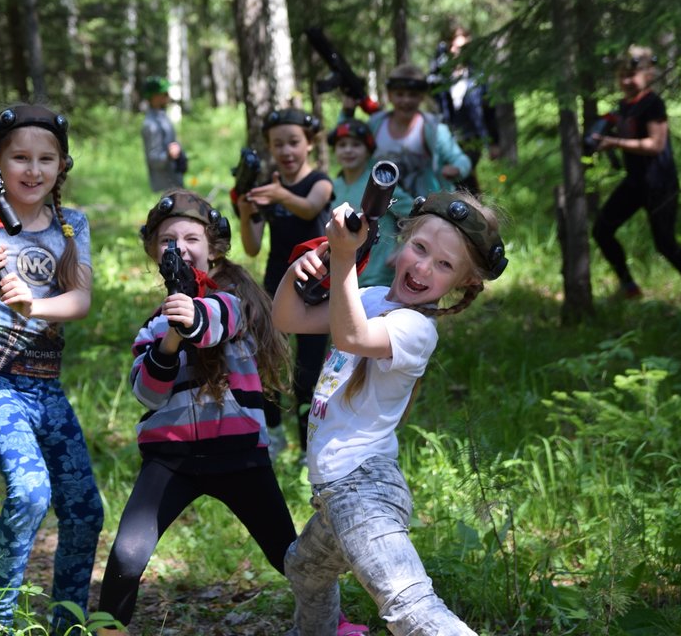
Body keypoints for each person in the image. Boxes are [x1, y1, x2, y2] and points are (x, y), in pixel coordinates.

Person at [96, 191, 367, 636]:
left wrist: (192, 318)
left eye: (190, 237)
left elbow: (219, 321)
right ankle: (106, 628)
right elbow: (146, 394)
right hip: (170, 460)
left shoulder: (235, 300)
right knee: (127, 554)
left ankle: (333, 625)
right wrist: (169, 339)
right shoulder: (154, 325)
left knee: (288, 555)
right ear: (153, 252)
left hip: (241, 458)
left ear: (213, 248)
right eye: (167, 240)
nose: (179, 246)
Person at [271, 190, 508, 636]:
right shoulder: (376, 296)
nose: (422, 268)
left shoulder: (417, 329)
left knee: (411, 609)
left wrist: (344, 258)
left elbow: (351, 337)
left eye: (443, 266)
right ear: (402, 241)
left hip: (362, 490)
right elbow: (289, 318)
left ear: (462, 283)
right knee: (303, 569)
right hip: (337, 494)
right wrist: (303, 268)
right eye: (420, 249)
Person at [0, 103, 103, 635]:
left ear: (61, 165)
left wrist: (33, 305)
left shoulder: (71, 226)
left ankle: (67, 625)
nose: (33, 170)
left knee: (84, 510)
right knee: (30, 491)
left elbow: (78, 300)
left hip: (46, 385)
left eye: (46, 159)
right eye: (20, 158)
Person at [235, 108, 333, 456]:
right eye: (279, 145)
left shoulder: (319, 182)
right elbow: (251, 245)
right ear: (270, 148)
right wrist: (247, 213)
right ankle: (273, 433)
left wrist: (278, 195)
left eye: (294, 142)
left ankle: (310, 448)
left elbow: (309, 208)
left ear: (309, 144)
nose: (287, 151)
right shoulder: (269, 189)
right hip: (276, 286)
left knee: (309, 371)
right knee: (268, 363)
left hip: (319, 288)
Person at [588, 45, 681, 299]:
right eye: (621, 76)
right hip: (635, 184)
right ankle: (629, 287)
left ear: (648, 74)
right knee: (602, 230)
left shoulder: (653, 103)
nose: (626, 81)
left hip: (660, 184)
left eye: (631, 76)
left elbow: (656, 145)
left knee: (665, 244)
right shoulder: (624, 105)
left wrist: (615, 143)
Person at [342, 64, 470, 201]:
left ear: (422, 97)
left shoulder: (434, 130)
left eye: (413, 95)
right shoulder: (375, 124)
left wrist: (456, 169)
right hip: (381, 208)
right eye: (400, 94)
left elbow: (461, 160)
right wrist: (347, 113)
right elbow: (344, 141)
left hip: (426, 210)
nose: (406, 100)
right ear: (390, 96)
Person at [327, 120, 413, 288]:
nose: (348, 150)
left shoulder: (381, 184)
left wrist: (404, 248)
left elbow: (419, 216)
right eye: (342, 145)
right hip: (344, 279)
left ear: (368, 150)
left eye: (356, 145)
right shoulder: (332, 187)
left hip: (380, 278)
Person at [429, 26, 498, 196]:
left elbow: (489, 109)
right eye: (453, 47)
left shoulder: (477, 76)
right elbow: (431, 95)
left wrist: (494, 142)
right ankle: (467, 207)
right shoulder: (441, 76)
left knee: (464, 170)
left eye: (462, 48)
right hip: (449, 135)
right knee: (455, 179)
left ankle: (471, 208)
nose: (457, 52)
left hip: (471, 136)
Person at [140, 75, 186, 192]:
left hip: (175, 180)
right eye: (164, 94)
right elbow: (153, 159)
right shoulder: (151, 125)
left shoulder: (162, 116)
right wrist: (168, 155)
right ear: (154, 97)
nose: (168, 96)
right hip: (164, 187)